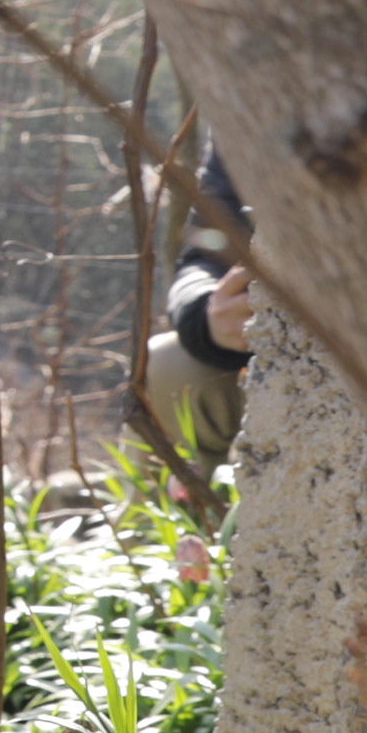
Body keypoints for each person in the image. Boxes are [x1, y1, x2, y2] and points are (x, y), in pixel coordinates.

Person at [146, 143, 254, 483]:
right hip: (272, 360)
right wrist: (206, 313)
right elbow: (204, 257)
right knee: (167, 364)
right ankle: (189, 508)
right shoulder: (245, 125)